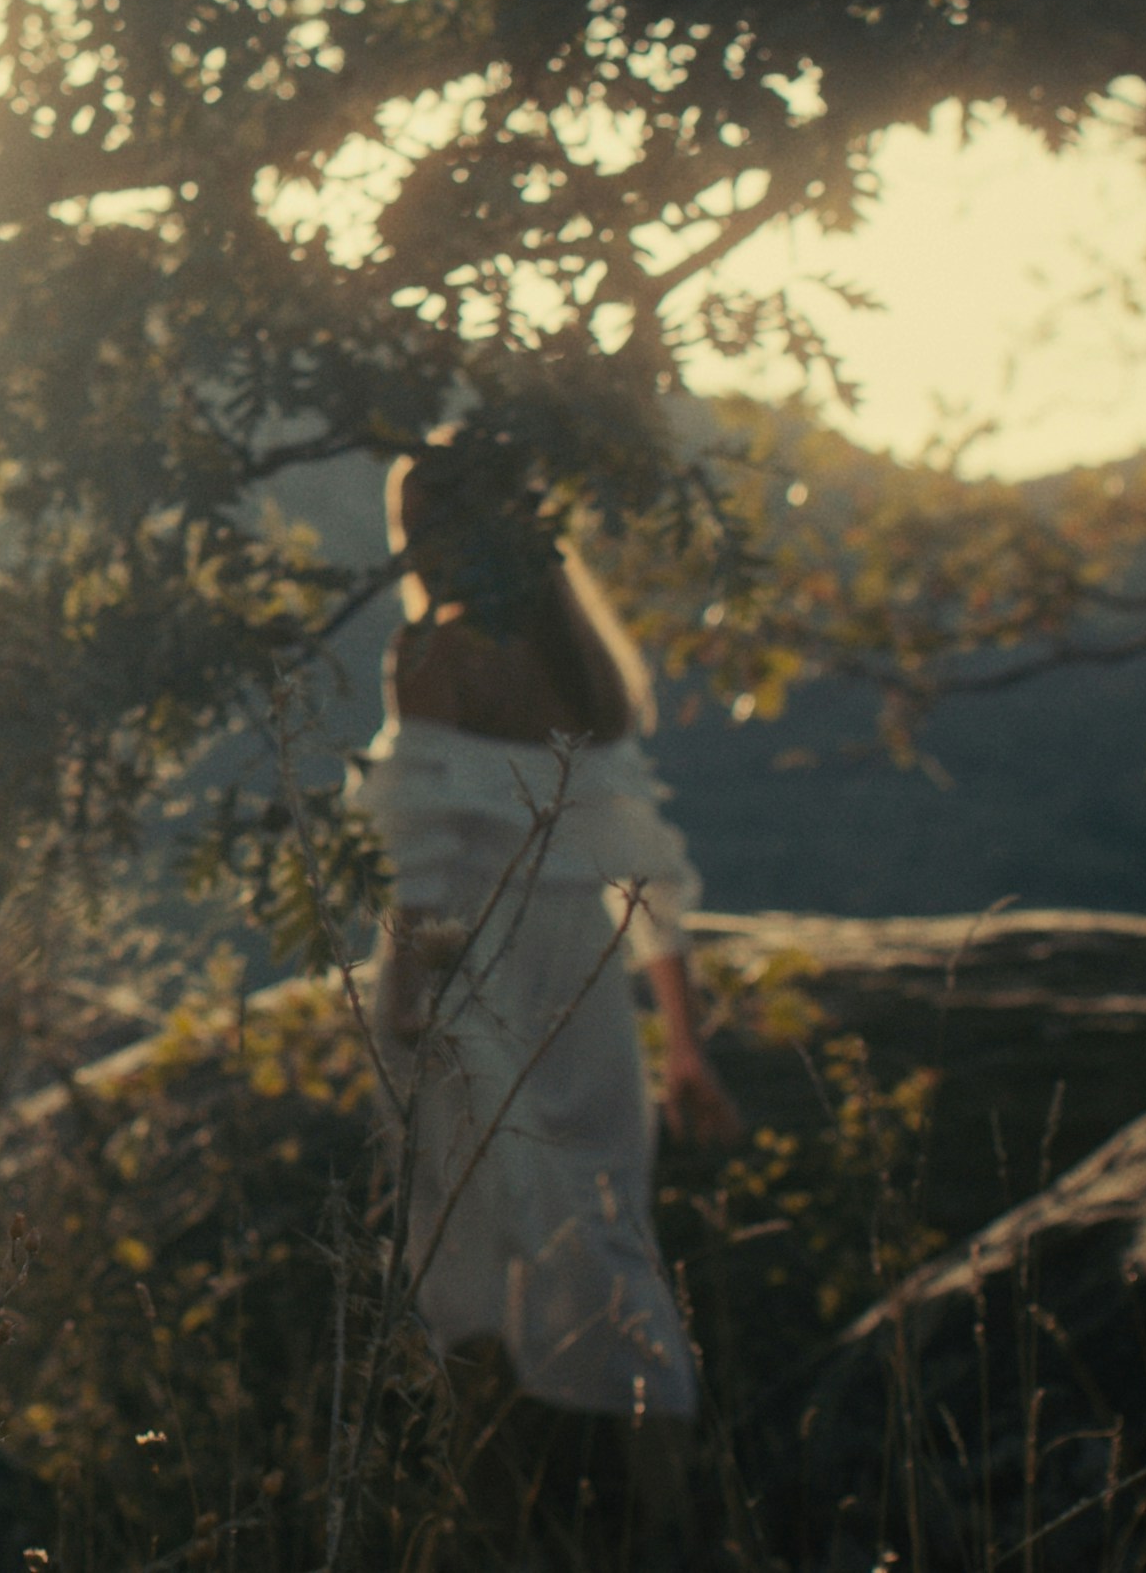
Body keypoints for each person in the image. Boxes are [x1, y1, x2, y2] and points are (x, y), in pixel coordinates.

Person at [350, 426, 740, 1566]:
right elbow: (653, 879)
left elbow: (420, 856)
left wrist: (407, 994)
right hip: (583, 986)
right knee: (608, 1234)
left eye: (420, 526)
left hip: (473, 973)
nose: (413, 549)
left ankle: (482, 1520)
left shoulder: (433, 654)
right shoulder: (586, 668)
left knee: (461, 1240)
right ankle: (668, 1514)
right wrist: (684, 1047)